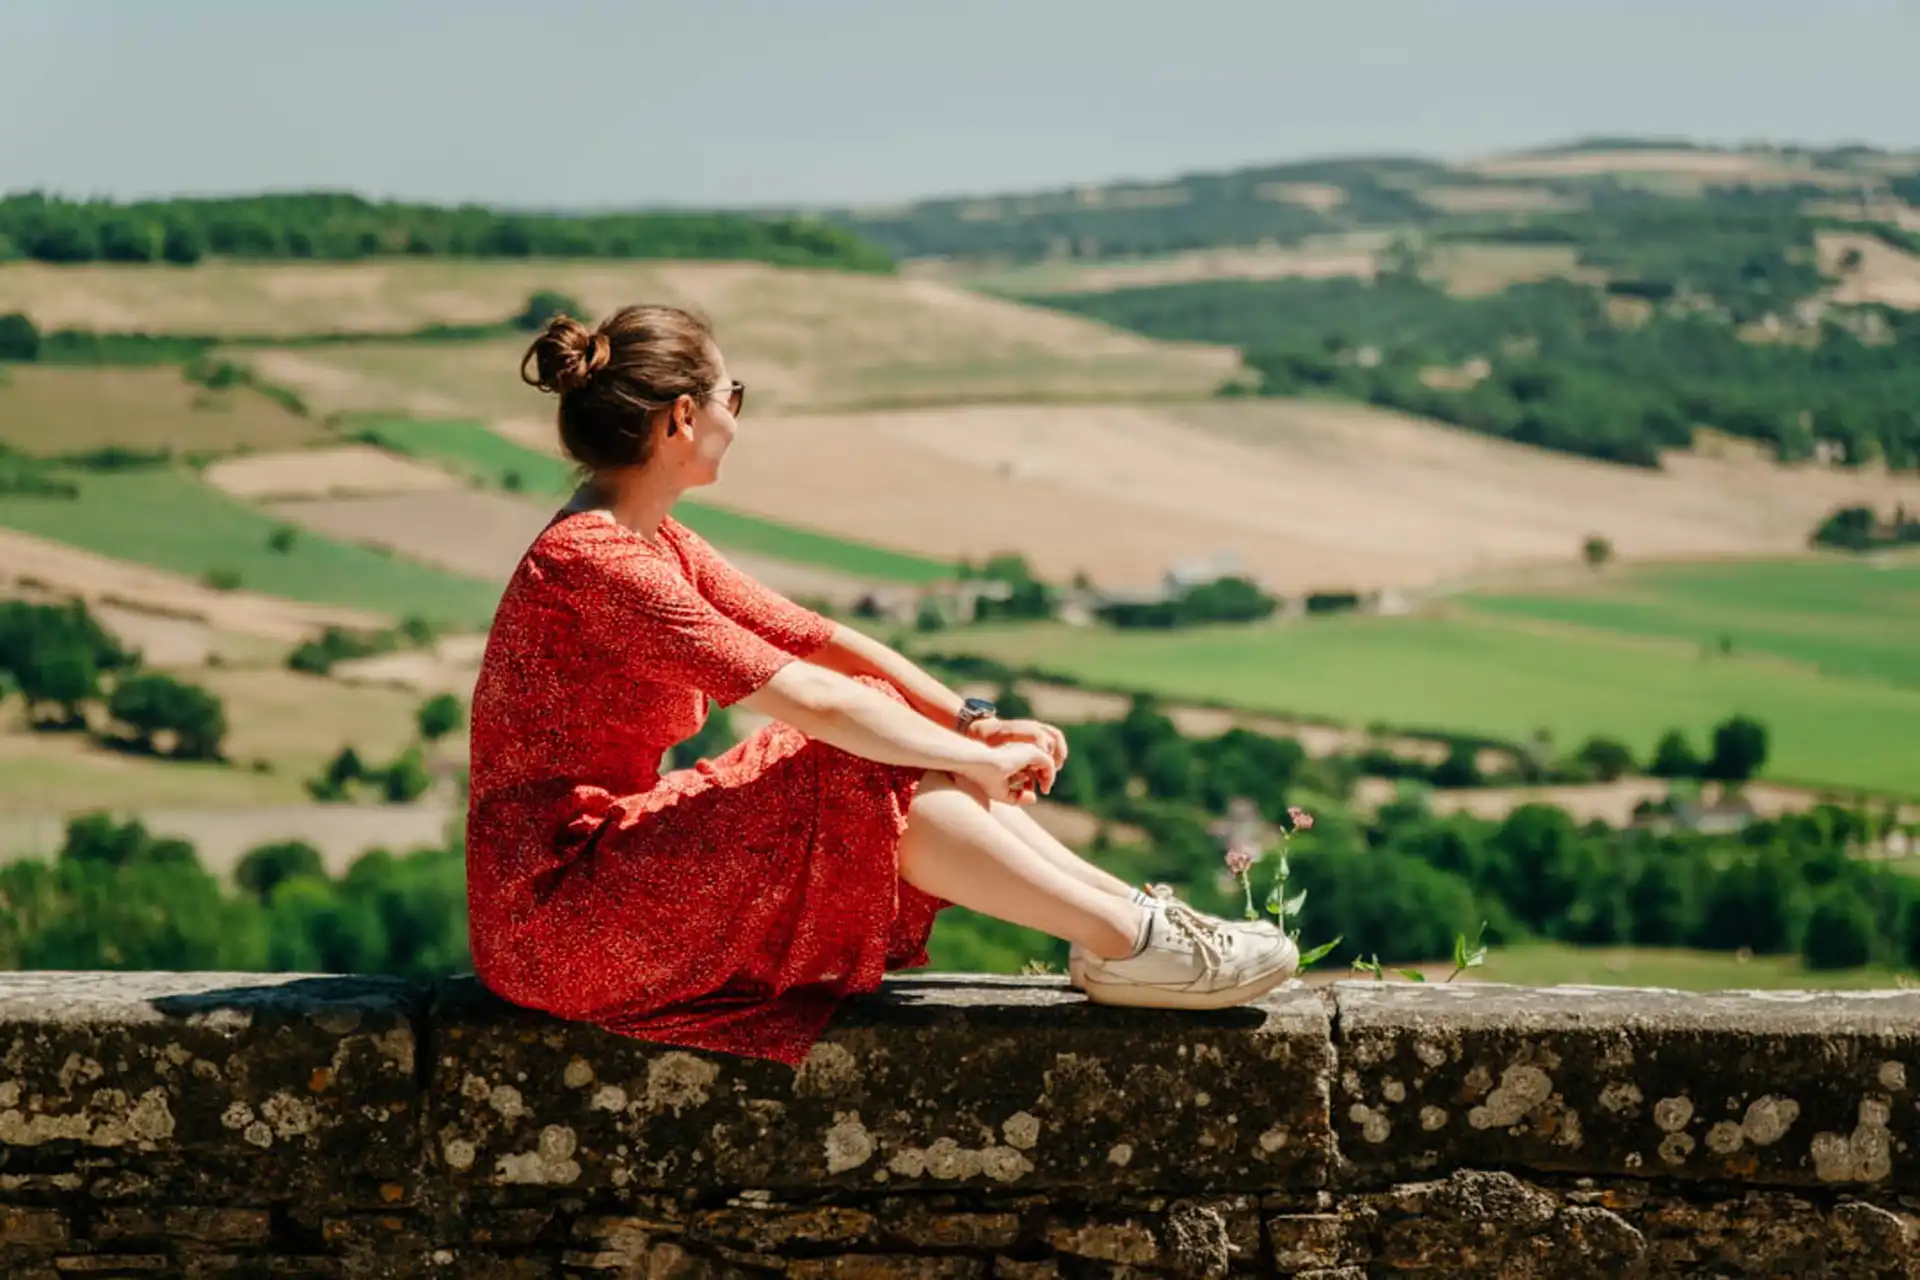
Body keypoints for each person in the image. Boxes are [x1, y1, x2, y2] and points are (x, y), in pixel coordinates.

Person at [465, 304, 1300, 1069]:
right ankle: (1132, 941)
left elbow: (822, 642)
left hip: (597, 875)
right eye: (734, 396)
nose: (735, 418)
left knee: (879, 736)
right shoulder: (595, 563)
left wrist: (974, 727)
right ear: (684, 416)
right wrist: (967, 760)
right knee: (855, 756)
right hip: (558, 916)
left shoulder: (651, 541)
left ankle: (1137, 929)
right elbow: (815, 700)